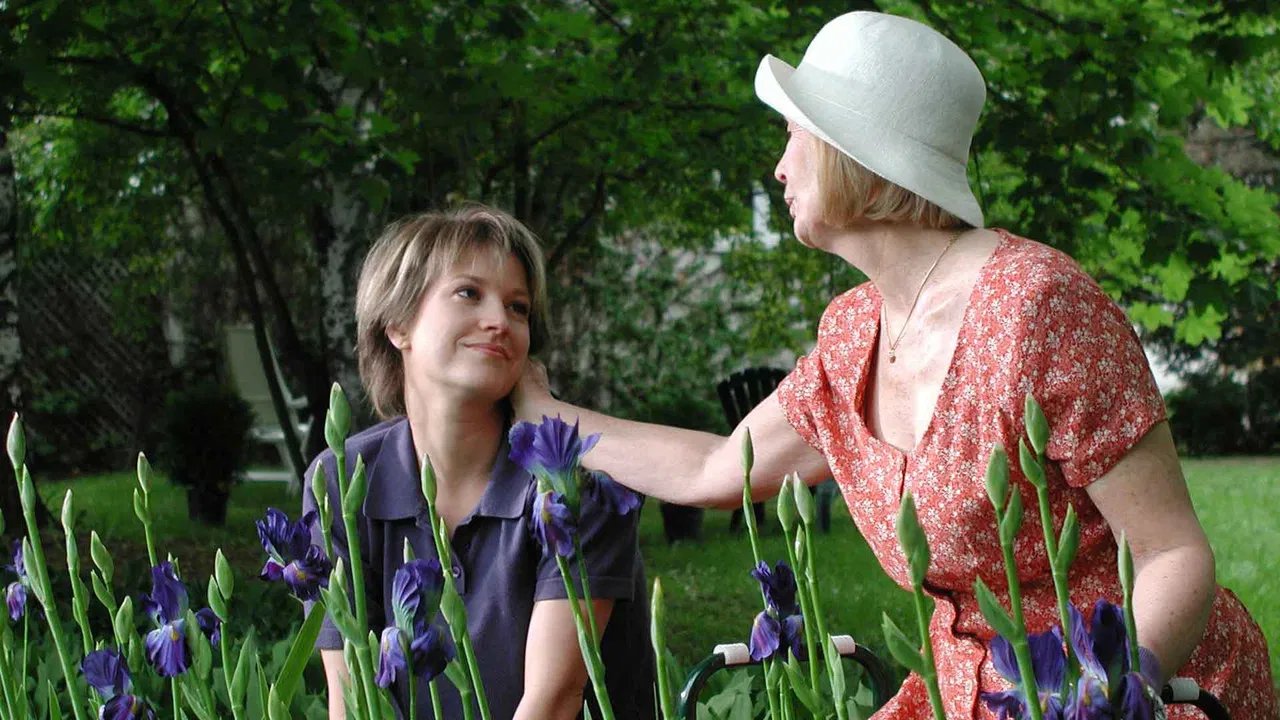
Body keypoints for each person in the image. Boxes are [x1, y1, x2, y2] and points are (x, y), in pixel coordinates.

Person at [513, 11, 1276, 719]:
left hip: (1130, 690)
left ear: (855, 150)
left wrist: (1107, 695)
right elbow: (719, 469)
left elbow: (1172, 552)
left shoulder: (1036, 307)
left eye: (793, 137)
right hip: (967, 693)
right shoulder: (852, 334)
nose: (778, 169)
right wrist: (543, 416)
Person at [302, 205, 654, 719]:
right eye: (469, 293)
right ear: (398, 324)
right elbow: (352, 698)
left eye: (518, 307)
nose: (499, 321)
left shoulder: (573, 482)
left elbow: (552, 702)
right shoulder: (339, 481)